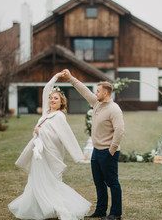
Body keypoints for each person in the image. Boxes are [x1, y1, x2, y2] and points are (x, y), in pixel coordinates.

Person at [8, 72, 91, 220]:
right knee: (36, 181)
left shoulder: (59, 116)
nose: (52, 100)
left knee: (51, 183)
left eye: (56, 99)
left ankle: (62, 208)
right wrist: (57, 76)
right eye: (51, 98)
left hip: (50, 154)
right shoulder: (46, 113)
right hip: (38, 154)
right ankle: (39, 208)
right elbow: (47, 88)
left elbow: (64, 137)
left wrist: (41, 131)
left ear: (61, 103)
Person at [62, 69, 124, 220]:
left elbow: (120, 130)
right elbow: (83, 90)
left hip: (108, 152)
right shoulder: (97, 103)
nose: (95, 93)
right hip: (96, 151)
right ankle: (101, 211)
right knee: (99, 183)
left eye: (98, 91)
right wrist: (71, 78)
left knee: (112, 183)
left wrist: (112, 149)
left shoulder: (114, 109)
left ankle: (116, 213)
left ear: (106, 93)